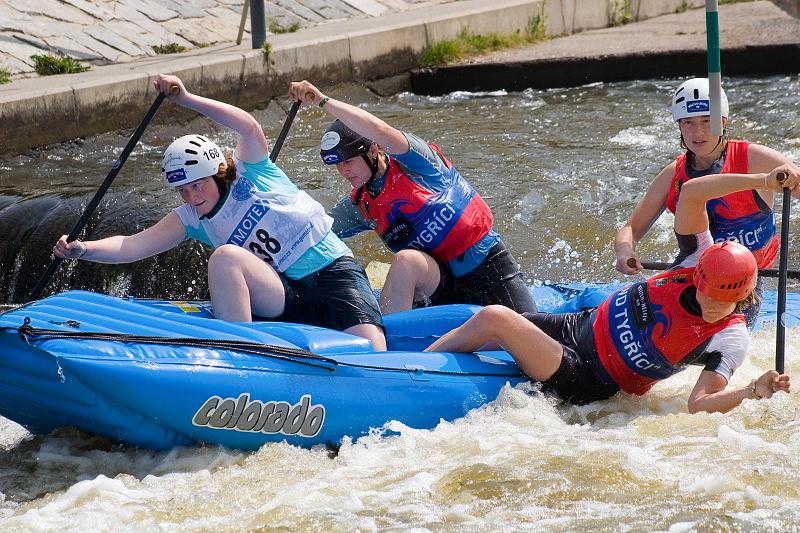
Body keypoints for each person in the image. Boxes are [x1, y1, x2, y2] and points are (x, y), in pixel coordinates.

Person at [53, 74, 386, 351]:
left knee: (373, 352)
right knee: (225, 257)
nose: (192, 197)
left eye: (198, 186)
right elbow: (132, 246)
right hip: (282, 294)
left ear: (217, 173)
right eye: (183, 190)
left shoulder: (252, 170)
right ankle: (242, 352)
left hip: (333, 274)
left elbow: (248, 126)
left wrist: (186, 99)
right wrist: (81, 249)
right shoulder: (190, 218)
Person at [425, 165, 797, 412]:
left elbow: (699, 402)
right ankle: (414, 358)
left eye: (723, 302)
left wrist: (751, 390)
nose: (711, 304)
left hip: (589, 375)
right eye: (706, 293)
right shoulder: (696, 255)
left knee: (495, 318)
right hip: (578, 325)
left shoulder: (731, 339)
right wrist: (761, 182)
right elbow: (693, 192)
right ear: (698, 275)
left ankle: (414, 372)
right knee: (487, 323)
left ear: (743, 298)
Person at [286, 80, 537, 315]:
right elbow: (310, 234)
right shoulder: (358, 206)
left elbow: (381, 131)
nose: (343, 171)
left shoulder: (417, 162)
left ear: (374, 149)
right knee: (406, 261)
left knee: (538, 336)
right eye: (338, 165)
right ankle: (387, 351)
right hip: (439, 287)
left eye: (348, 161)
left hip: (488, 267)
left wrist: (322, 101)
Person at [614, 78, 798, 328]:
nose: (697, 132)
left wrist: (794, 178)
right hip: (694, 272)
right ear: (679, 125)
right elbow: (631, 229)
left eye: (706, 121)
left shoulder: (755, 158)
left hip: (742, 280)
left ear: (722, 122)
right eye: (688, 123)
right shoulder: (672, 175)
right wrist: (625, 251)